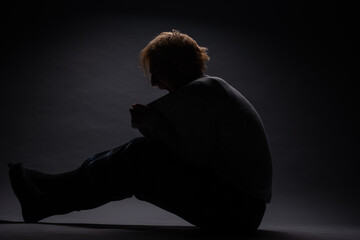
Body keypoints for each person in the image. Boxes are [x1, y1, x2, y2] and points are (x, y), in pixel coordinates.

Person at [8, 30, 272, 234]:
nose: (154, 82)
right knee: (136, 156)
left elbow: (193, 159)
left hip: (238, 212)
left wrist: (154, 124)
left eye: (157, 71)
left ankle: (46, 193)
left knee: (138, 156)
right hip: (240, 208)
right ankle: (46, 193)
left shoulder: (203, 91)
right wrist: (153, 126)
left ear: (178, 65)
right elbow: (180, 154)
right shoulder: (209, 90)